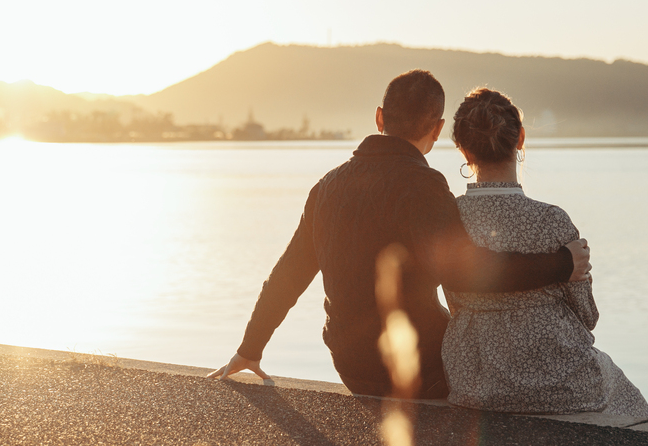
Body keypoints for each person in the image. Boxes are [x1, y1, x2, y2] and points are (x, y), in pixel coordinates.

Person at [209, 70, 592, 398]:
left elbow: (289, 274)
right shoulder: (422, 185)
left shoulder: (326, 186)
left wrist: (250, 348)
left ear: (379, 118)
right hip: (415, 367)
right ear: (438, 129)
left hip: (350, 366)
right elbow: (466, 272)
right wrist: (561, 263)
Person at [441, 87, 648, 418]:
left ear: (463, 149)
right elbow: (588, 315)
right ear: (520, 139)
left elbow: (454, 297)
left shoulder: (450, 217)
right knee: (631, 403)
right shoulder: (551, 220)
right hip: (560, 379)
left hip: (475, 379)